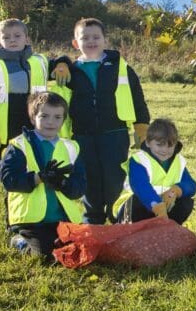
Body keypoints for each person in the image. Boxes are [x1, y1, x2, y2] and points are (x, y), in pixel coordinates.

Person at [0, 18, 70, 239]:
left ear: (27, 38)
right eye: (6, 37)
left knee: (18, 183)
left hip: (29, 136)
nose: (12, 40)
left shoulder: (40, 62)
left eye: (17, 36)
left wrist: (63, 62)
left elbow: (60, 63)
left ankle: (14, 225)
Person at [64, 18, 150, 224]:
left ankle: (117, 216)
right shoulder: (71, 71)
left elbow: (137, 95)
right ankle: (92, 219)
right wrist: (60, 63)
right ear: (76, 43)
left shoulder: (119, 66)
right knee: (89, 177)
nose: (91, 41)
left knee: (114, 177)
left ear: (105, 41)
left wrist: (141, 124)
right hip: (83, 135)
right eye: (85, 38)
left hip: (115, 133)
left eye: (96, 37)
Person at [1, 92, 87, 260]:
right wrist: (39, 177)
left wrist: (61, 182)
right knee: (47, 257)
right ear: (33, 118)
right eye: (44, 116)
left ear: (64, 120)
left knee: (80, 252)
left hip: (63, 219)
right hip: (31, 220)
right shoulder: (19, 145)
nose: (51, 122)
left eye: (57, 117)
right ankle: (20, 240)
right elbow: (9, 181)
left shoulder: (72, 148)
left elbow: (79, 188)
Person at [112, 118, 196, 225]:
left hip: (163, 208)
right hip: (135, 208)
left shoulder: (178, 161)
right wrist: (157, 206)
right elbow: (141, 187)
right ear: (147, 142)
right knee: (137, 200)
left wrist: (175, 190)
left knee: (186, 201)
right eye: (159, 145)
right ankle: (135, 232)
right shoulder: (139, 160)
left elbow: (192, 185)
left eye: (170, 145)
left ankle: (168, 228)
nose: (164, 150)